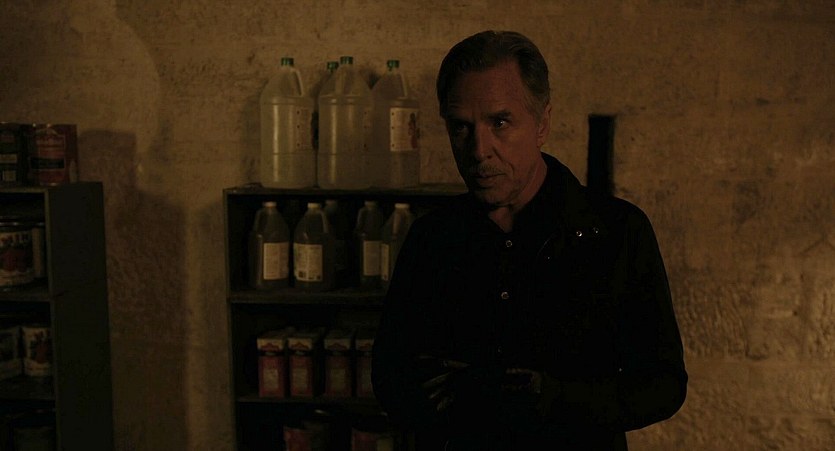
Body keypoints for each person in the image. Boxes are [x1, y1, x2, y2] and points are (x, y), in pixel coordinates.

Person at [372, 30, 687, 450]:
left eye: (500, 123)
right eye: (461, 127)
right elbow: (389, 376)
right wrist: (455, 399)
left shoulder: (615, 232)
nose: (479, 150)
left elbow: (664, 384)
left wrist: (556, 399)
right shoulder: (433, 237)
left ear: (542, 124)